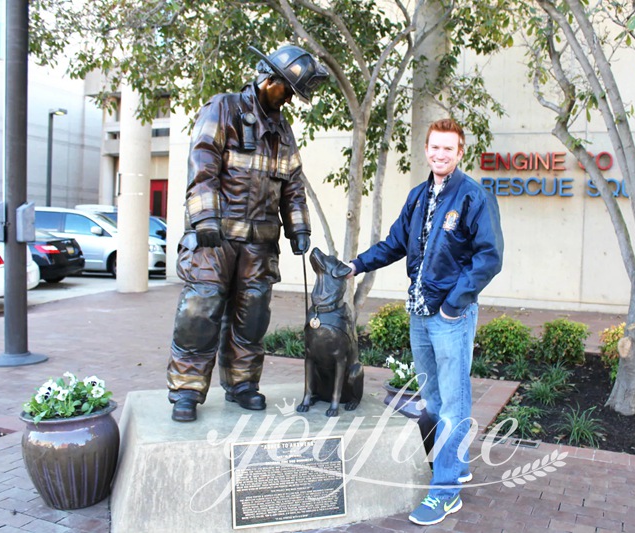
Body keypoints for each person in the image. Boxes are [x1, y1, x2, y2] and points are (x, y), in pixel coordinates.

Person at [348, 118, 503, 526]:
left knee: (452, 402)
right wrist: (355, 265)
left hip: (450, 316)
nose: (439, 154)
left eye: (448, 148)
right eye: (434, 147)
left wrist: (455, 303)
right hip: (419, 313)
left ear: (460, 151)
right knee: (433, 401)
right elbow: (395, 243)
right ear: (427, 149)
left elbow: (489, 257)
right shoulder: (418, 197)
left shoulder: (473, 196)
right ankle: (456, 465)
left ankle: (446, 491)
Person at [166, 44, 329, 422]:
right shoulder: (222, 108)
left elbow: (292, 185)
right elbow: (202, 164)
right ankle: (187, 391)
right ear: (269, 79)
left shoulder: (283, 131)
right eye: (287, 89)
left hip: (259, 245)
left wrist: (298, 228)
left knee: (252, 315)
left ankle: (242, 384)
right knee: (200, 311)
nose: (288, 98)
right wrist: (205, 219)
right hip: (214, 241)